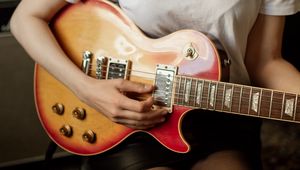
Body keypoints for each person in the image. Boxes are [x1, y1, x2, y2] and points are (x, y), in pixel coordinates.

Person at [9, 0, 300, 170]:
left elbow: (264, 61)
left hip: (220, 113)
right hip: (132, 125)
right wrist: (85, 88)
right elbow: (25, 19)